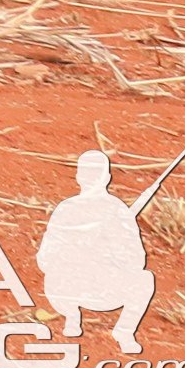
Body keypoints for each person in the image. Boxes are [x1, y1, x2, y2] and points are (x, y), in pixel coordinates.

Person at [36, 149, 154, 354]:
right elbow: (137, 261)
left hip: (63, 290)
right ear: (107, 177)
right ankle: (125, 331)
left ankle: (72, 318)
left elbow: (44, 259)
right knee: (145, 279)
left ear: (79, 177)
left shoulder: (65, 208)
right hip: (104, 293)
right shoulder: (118, 210)